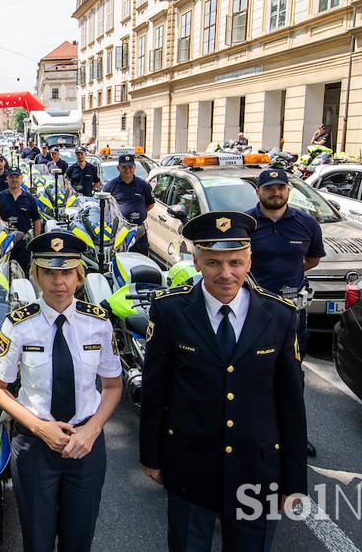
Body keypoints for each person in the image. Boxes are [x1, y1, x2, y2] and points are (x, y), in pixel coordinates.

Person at [139, 211, 307, 552]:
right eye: (214, 263)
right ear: (197, 263)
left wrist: (294, 478)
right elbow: (156, 390)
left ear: (249, 261)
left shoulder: (279, 315)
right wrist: (151, 456)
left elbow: (290, 403)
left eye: (235, 262)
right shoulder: (171, 312)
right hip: (190, 466)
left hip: (256, 470)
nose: (226, 274)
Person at [0, 231, 122, 552]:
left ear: (79, 276)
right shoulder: (18, 324)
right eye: (49, 272)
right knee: (38, 541)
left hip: (85, 446)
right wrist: (38, 427)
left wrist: (92, 430)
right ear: (36, 275)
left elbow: (114, 386)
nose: (58, 282)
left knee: (79, 540)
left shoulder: (99, 323)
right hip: (34, 447)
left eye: (66, 273)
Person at [247, 167, 325, 459]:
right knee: (253, 373)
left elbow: (312, 259)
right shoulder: (246, 223)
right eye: (269, 188)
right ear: (258, 192)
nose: (276, 192)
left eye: (281, 187)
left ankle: (293, 434)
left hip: (292, 315)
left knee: (292, 375)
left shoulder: (306, 223)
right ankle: (253, 431)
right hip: (254, 311)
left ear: (288, 191)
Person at [0, 169, 42, 276]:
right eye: (11, 177)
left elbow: (36, 219)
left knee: (25, 271)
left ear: (21, 179)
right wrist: (3, 223)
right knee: (3, 271)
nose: (14, 179)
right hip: (4, 241)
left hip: (24, 242)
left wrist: (36, 240)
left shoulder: (29, 198)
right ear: (7, 179)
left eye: (16, 177)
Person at [102, 153, 153, 254]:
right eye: (124, 167)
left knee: (141, 262)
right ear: (118, 168)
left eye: (130, 167)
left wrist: (139, 212)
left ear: (134, 167)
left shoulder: (143, 185)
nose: (127, 170)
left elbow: (150, 204)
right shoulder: (110, 186)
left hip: (139, 232)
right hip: (119, 232)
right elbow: (104, 208)